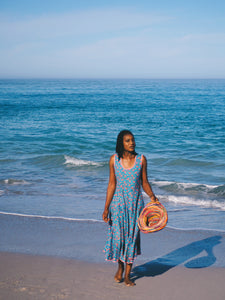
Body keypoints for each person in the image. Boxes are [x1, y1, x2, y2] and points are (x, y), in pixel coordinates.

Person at [102, 130, 158, 286]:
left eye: (133, 140)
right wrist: (106, 208)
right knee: (118, 239)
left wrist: (152, 196)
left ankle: (127, 275)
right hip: (118, 205)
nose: (131, 143)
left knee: (131, 240)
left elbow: (144, 182)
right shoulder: (114, 160)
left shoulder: (141, 160)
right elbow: (112, 184)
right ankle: (119, 267)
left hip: (135, 206)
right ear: (121, 143)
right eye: (127, 140)